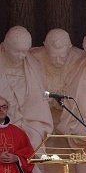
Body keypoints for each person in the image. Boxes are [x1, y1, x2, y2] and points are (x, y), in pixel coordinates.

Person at [0, 26, 53, 158]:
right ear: (6, 46)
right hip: (3, 122)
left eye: (24, 52)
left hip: (28, 120)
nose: (21, 56)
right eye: (17, 51)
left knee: (34, 143)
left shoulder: (33, 66)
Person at [30, 28, 85, 128]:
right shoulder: (35, 58)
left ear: (69, 49)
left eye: (62, 57)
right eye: (53, 57)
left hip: (69, 115)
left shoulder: (80, 59)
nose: (58, 61)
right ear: (46, 49)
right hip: (42, 115)